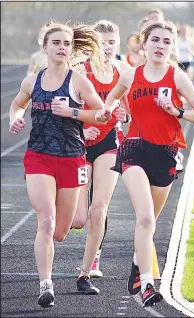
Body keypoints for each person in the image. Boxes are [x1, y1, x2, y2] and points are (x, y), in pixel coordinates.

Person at [103, 21, 194, 306]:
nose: (161, 46)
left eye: (166, 41)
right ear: (144, 44)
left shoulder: (177, 77)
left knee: (149, 223)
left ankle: (137, 263)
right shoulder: (130, 74)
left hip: (166, 152)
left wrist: (178, 111)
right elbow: (113, 97)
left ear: (172, 47)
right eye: (155, 40)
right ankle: (149, 285)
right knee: (146, 217)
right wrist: (111, 109)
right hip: (135, 148)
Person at [8, 20, 114, 308]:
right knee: (46, 221)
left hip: (71, 157)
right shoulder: (32, 81)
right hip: (39, 156)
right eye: (56, 42)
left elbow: (100, 114)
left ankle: (53, 247)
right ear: (45, 47)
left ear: (71, 49)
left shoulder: (79, 81)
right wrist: (15, 119)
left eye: (67, 43)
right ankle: (46, 285)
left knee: (65, 229)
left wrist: (72, 112)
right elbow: (17, 104)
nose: (62, 47)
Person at [70, 19, 130, 293]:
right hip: (81, 145)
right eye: (103, 43)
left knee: (98, 209)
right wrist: (83, 130)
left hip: (109, 142)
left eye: (112, 44)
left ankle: (87, 270)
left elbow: (128, 113)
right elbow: (66, 113)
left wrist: (123, 116)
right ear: (93, 45)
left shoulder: (121, 73)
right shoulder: (79, 73)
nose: (108, 48)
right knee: (79, 218)